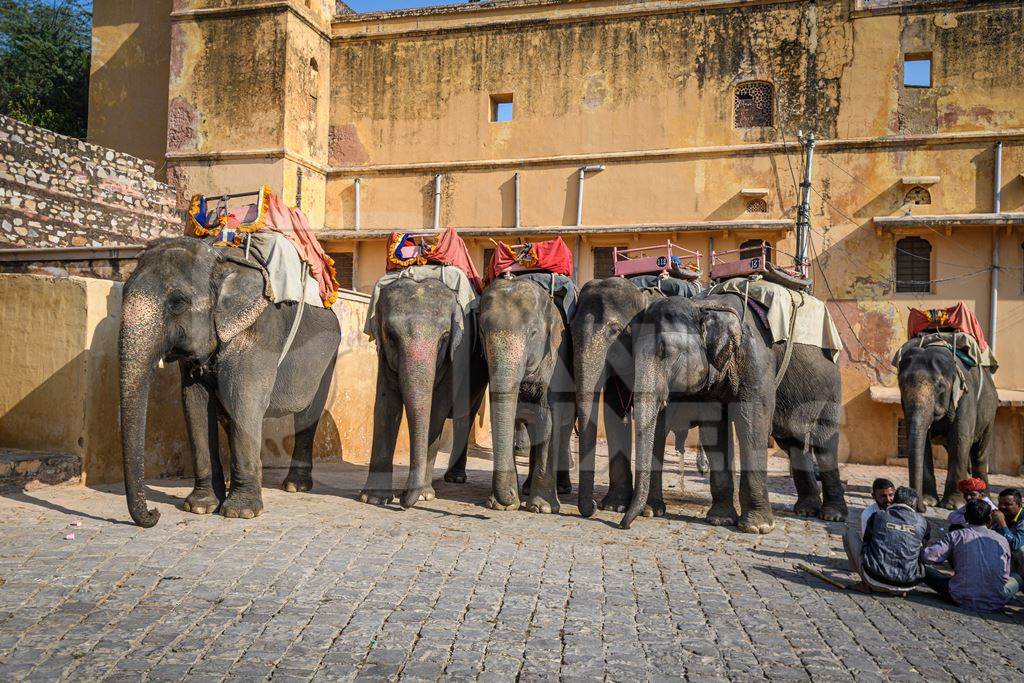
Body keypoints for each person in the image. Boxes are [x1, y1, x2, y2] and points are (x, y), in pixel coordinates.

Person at [921, 499, 1022, 612]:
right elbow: (1005, 575)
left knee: (923, 569)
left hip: (960, 597)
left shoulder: (956, 535)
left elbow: (928, 556)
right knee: (1018, 578)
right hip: (995, 600)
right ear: (989, 518)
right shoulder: (1002, 539)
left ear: (966, 517)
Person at [846, 487, 930, 595]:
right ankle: (899, 591)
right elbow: (922, 550)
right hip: (907, 584)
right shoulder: (923, 522)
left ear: (894, 500)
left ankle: (864, 583)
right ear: (914, 505)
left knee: (850, 533)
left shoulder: (878, 516)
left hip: (873, 578)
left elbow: (867, 541)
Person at [990, 488, 1024, 573]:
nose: (1002, 507)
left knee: (1020, 549)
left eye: (1007, 504)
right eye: (1000, 503)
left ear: (1019, 505)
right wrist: (989, 523)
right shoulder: (1003, 514)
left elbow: (1015, 544)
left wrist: (1002, 522)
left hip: (1019, 560)